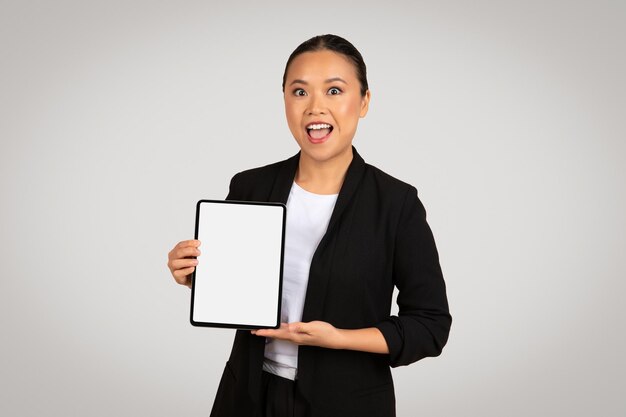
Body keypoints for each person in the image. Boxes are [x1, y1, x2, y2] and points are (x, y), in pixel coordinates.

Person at [167, 34, 451, 417]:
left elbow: (430, 325)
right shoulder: (250, 186)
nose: (315, 107)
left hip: (346, 404)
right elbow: (236, 288)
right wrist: (195, 276)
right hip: (247, 396)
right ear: (284, 99)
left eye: (334, 90)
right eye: (299, 92)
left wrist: (338, 338)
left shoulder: (396, 204)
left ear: (364, 101)